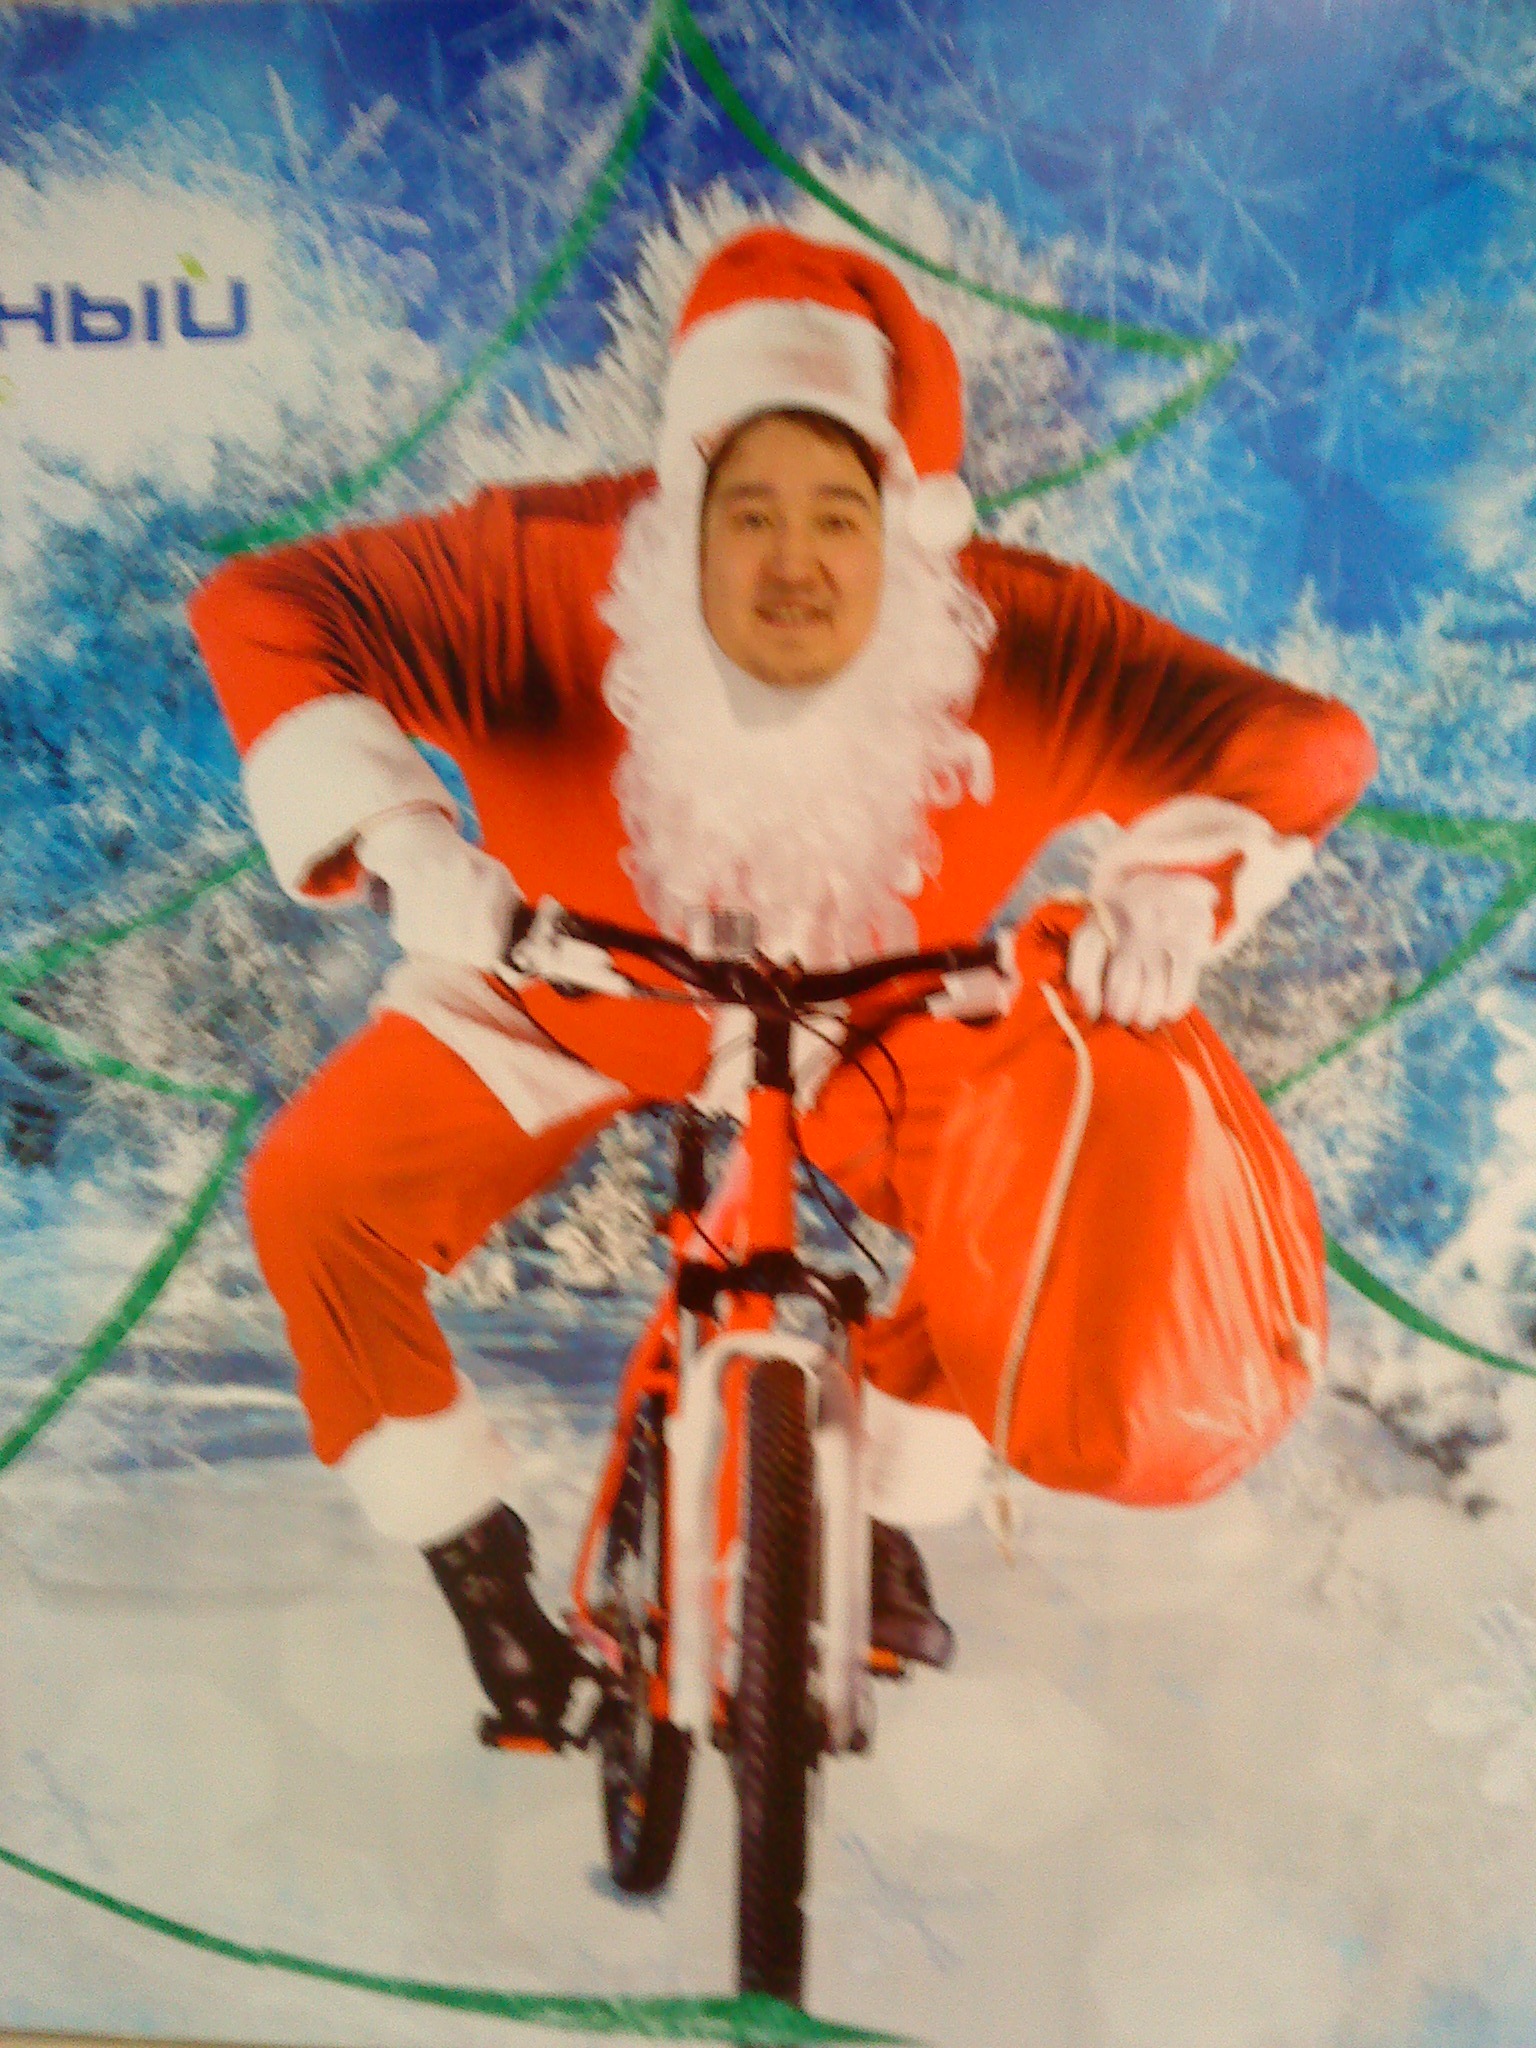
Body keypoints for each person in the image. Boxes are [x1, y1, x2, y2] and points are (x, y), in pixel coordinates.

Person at [189, 226, 1376, 1747]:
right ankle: (481, 1582)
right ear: (678, 506)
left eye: (838, 514)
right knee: (314, 1195)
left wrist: (1175, 881)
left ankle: (879, 1499)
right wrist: (403, 836)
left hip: (867, 1027)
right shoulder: (537, 570)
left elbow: (1300, 745)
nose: (791, 560)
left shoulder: (1017, 630)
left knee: (1029, 1175)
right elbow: (264, 607)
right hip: (560, 994)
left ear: (906, 526)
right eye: (746, 511)